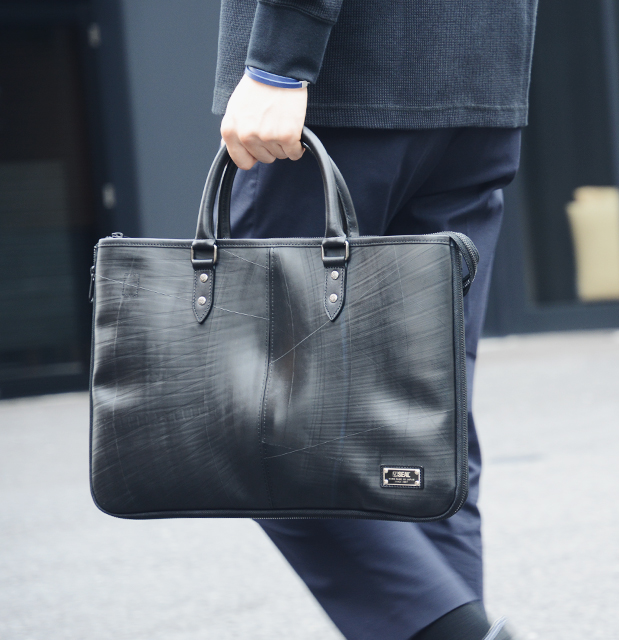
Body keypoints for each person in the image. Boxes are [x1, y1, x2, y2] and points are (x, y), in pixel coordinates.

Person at [212, 1, 538, 638]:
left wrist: (279, 61)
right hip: (480, 80)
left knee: (255, 413)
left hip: (341, 84)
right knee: (422, 431)